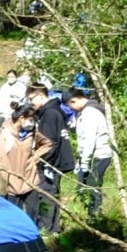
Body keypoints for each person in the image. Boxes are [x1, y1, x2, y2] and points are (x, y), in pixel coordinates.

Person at [26, 85, 73, 232]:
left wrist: (43, 161)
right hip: (55, 161)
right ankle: (54, 228)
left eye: (31, 99)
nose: (30, 102)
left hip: (51, 162)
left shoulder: (50, 113)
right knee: (52, 193)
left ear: (41, 96)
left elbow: (49, 142)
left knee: (46, 194)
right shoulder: (50, 111)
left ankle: (46, 228)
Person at [70, 90, 114, 217]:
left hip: (97, 155)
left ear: (74, 100)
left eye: (70, 105)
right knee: (87, 186)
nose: (70, 108)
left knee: (92, 186)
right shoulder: (86, 111)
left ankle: (95, 216)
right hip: (93, 155)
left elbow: (90, 139)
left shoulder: (89, 112)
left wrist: (85, 161)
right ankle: (92, 214)